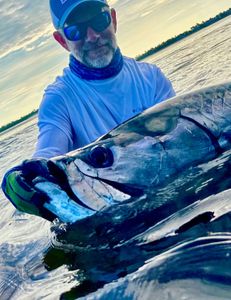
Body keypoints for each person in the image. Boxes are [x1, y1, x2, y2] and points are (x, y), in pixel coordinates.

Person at [1, 0, 175, 221]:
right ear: (62, 41)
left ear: (113, 19)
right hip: (118, 219)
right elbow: (49, 153)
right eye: (75, 30)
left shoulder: (151, 78)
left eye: (98, 20)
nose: (92, 36)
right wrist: (27, 175)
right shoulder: (59, 98)